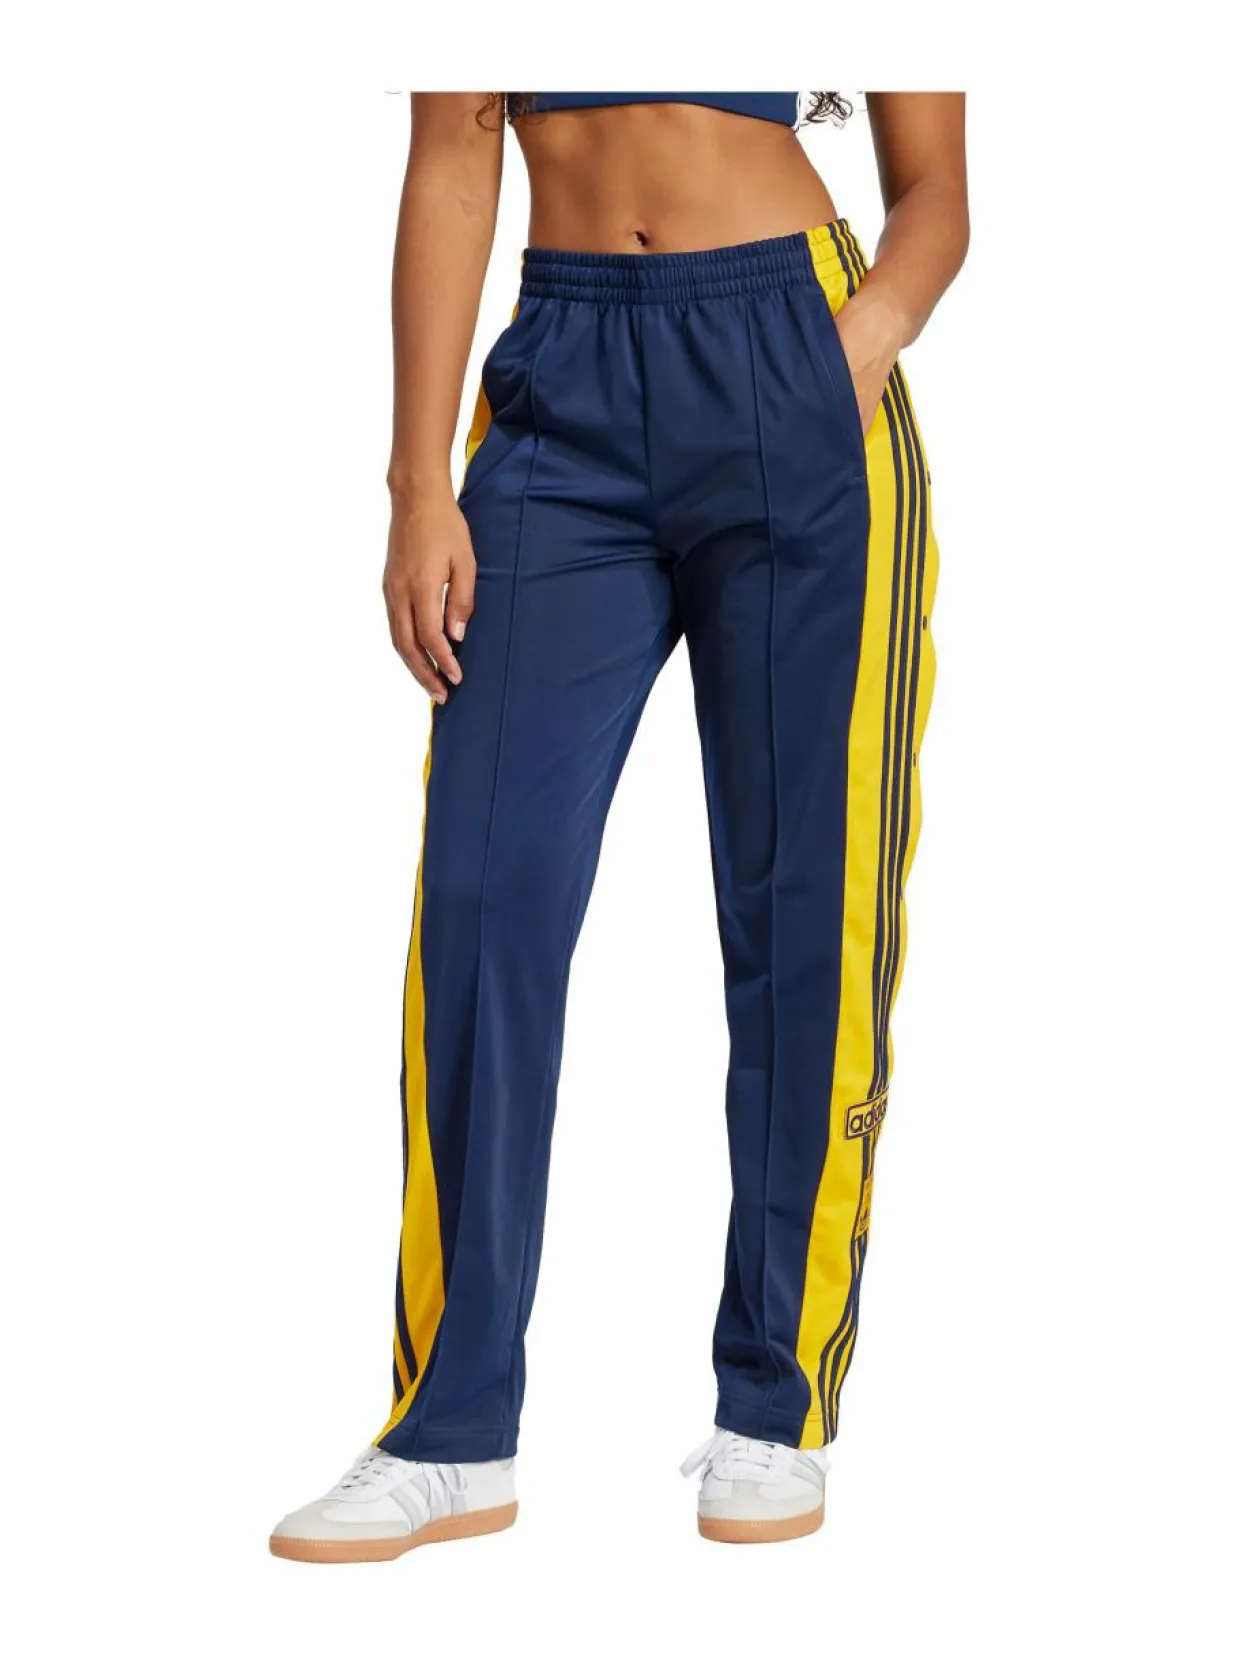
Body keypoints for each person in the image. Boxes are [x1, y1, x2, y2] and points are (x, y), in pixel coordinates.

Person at [270, 90, 968, 1561]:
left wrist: (856, 345)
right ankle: (451, 1431)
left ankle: (775, 1402)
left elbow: (935, 192)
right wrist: (417, 482)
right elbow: (454, 154)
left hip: (795, 358)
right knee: (484, 898)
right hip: (563, 389)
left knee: (806, 909)